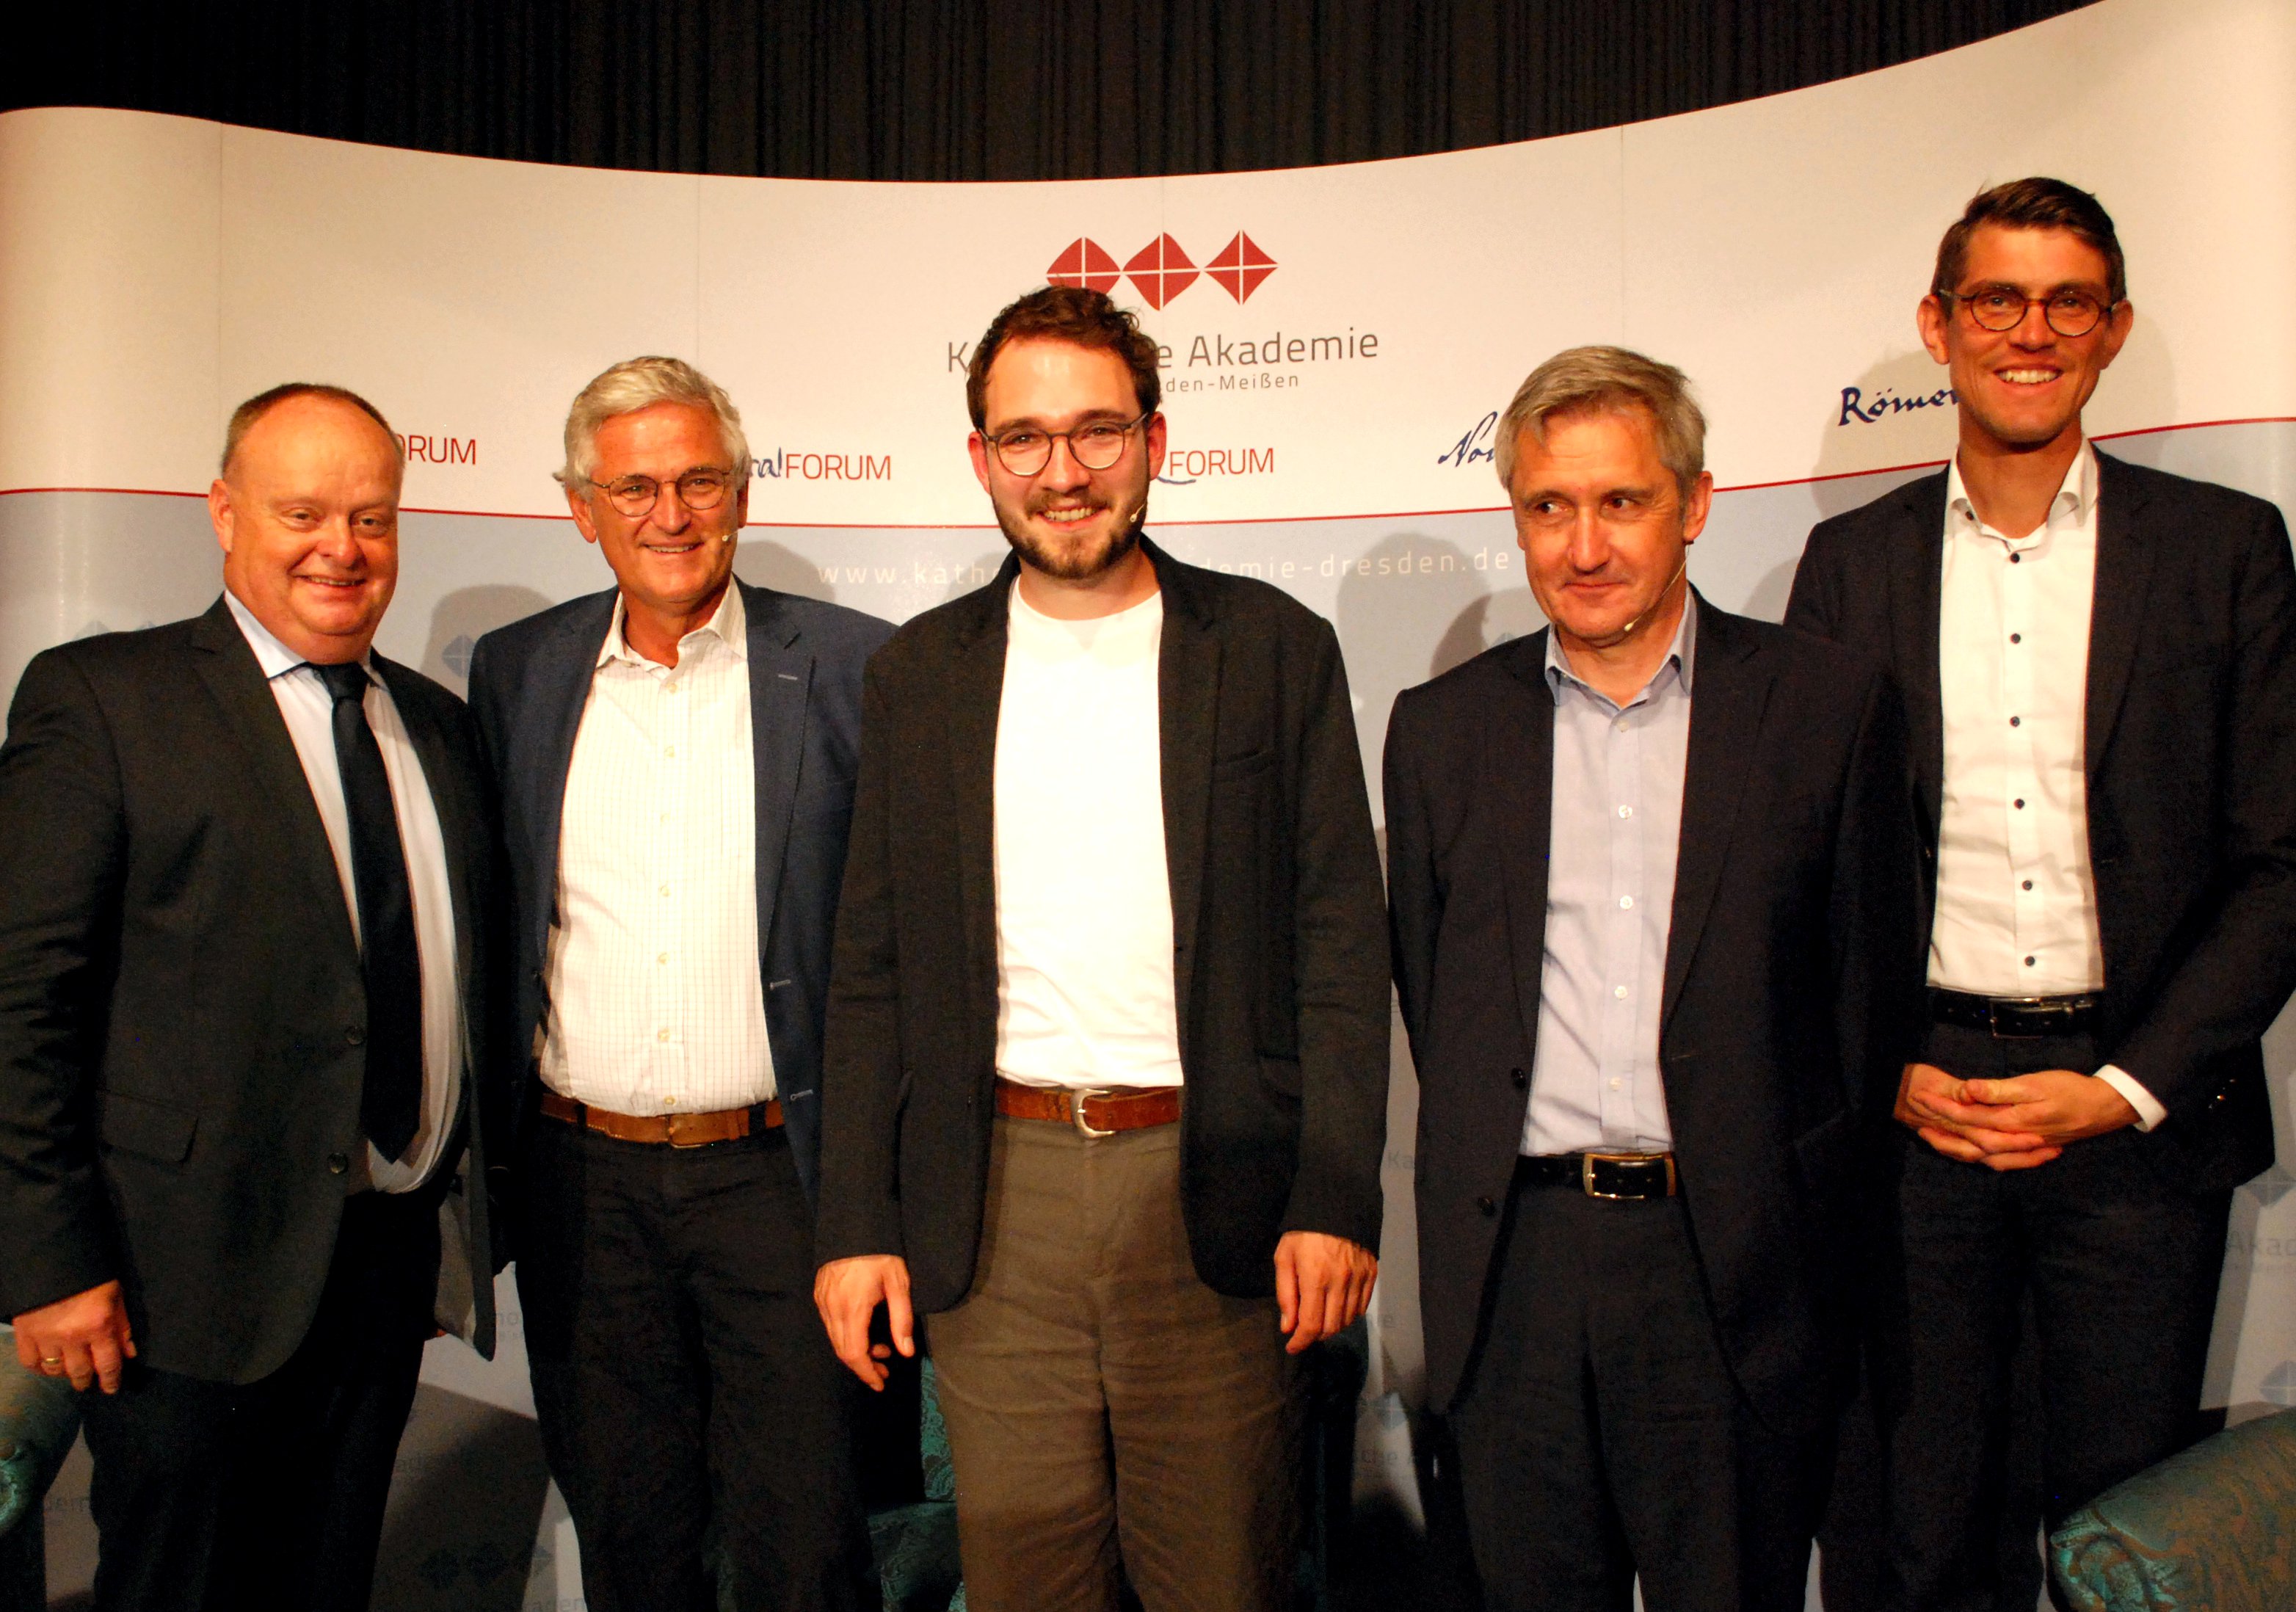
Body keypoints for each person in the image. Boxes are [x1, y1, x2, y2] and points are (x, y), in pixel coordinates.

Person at [811, 284, 1390, 1612]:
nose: (1062, 473)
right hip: (994, 1211)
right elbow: (872, 974)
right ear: (981, 459)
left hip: (1218, 1200)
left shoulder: (1274, 650)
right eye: (1025, 438)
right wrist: (855, 1224)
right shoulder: (918, 676)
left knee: (1224, 1586)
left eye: (1096, 433)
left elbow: (1341, 949)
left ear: (1154, 440)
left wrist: (1334, 1194)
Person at [1786, 177, 2296, 1611]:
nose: (2032, 331)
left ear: (2112, 328)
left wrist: (2124, 1087)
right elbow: (1805, 868)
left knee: (2120, 1544)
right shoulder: (1850, 564)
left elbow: (2280, 861)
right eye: (1998, 299)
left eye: (2068, 302)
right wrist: (1883, 1068)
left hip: (2140, 1119)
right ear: (1939, 325)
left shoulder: (2225, 550)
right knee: (1918, 1534)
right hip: (1920, 1117)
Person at [1387, 346, 1921, 1612]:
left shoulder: (1826, 707)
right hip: (1517, 1275)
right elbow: (1435, 996)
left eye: (1621, 502)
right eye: (1549, 507)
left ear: (1695, 504)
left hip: (1732, 1272)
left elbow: (1867, 1007)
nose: (1584, 547)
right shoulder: (1441, 729)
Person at [0, 384, 502, 1611]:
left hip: (381, 1272)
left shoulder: (437, 727)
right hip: (176, 1286)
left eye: (372, 517)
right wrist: (46, 1264)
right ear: (225, 515)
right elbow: (21, 1003)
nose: (343, 548)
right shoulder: (105, 700)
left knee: (325, 1586)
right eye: (303, 513)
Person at [464, 357, 887, 1612]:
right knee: (630, 1543)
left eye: (700, 480)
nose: (672, 513)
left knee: (807, 1549)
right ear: (580, 509)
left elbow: (895, 951)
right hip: (581, 1189)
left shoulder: (857, 667)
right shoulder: (517, 671)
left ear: (743, 494)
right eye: (634, 488)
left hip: (782, 1187)